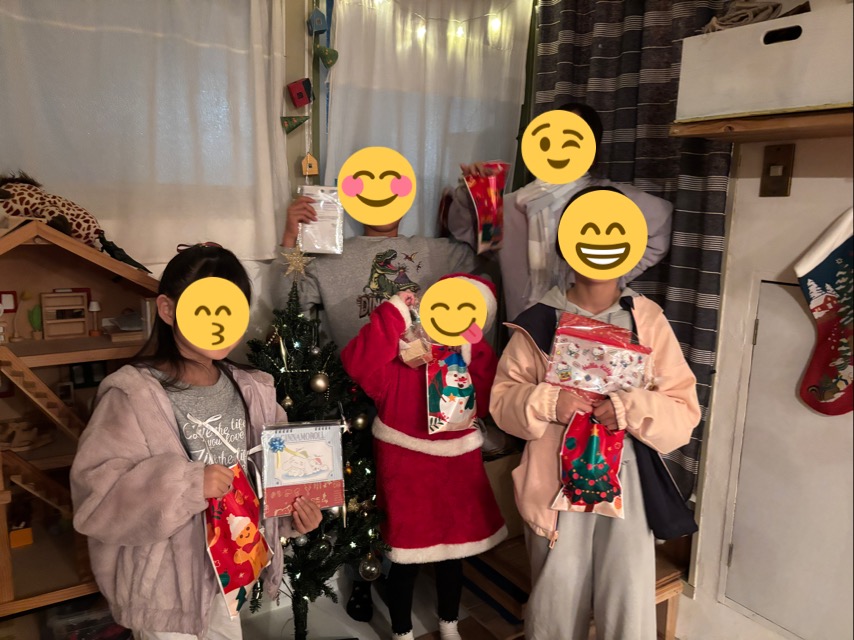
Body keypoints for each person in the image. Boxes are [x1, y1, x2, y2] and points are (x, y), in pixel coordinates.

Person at [70, 243, 323, 640]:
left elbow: (275, 477)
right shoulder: (133, 395)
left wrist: (294, 513)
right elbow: (96, 501)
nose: (219, 323)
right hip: (164, 591)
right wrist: (187, 484)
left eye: (231, 310)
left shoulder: (255, 390)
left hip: (233, 570)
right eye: (205, 310)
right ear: (168, 310)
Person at [489, 187, 701, 640]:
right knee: (555, 603)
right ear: (566, 241)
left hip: (629, 485)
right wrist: (551, 402)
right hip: (554, 486)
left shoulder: (647, 320)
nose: (601, 240)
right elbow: (503, 403)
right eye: (588, 229)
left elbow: (683, 412)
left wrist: (628, 407)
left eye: (614, 230)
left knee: (626, 604)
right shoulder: (538, 321)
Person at [341, 274, 507, 640]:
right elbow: (356, 364)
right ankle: (402, 632)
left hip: (457, 466)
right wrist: (394, 314)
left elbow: (487, 399)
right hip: (406, 467)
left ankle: (450, 624)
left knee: (453, 556)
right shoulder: (402, 355)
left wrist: (474, 349)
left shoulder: (469, 358)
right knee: (405, 560)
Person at [449, 101, 674, 321]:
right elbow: (467, 232)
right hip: (524, 326)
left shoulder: (606, 199)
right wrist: (472, 191)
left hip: (588, 330)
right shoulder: (511, 205)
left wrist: (614, 272)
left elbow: (661, 220)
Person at [281, 197, 476, 351]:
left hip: (419, 377)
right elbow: (287, 303)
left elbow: (484, 258)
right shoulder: (330, 258)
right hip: (350, 382)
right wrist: (290, 238)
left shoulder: (437, 252)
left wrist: (474, 191)